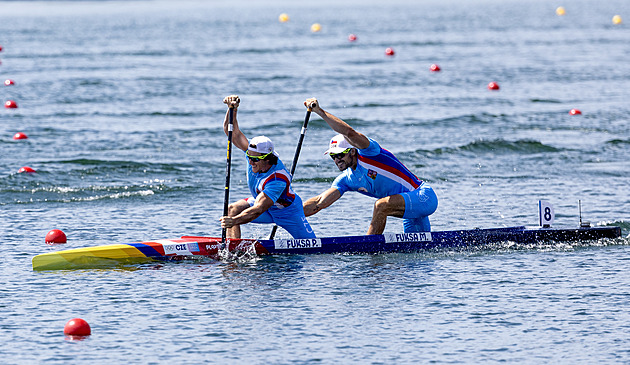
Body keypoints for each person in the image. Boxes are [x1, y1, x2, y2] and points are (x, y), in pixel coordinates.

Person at [302, 98, 438, 235]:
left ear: (353, 151)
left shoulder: (370, 153)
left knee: (381, 206)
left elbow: (350, 133)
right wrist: (286, 214)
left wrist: (319, 111)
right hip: (410, 206)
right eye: (333, 156)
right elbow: (318, 203)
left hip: (423, 196)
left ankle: (370, 249)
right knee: (418, 249)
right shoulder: (346, 180)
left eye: (340, 155)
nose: (337, 160)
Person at [219, 95, 315, 239]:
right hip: (263, 204)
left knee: (311, 246)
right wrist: (232, 110)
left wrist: (233, 221)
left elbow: (258, 210)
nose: (250, 162)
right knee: (232, 209)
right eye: (249, 157)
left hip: (287, 213)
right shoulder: (254, 152)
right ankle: (233, 251)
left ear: (267, 158)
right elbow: (232, 133)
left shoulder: (277, 179)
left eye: (255, 159)